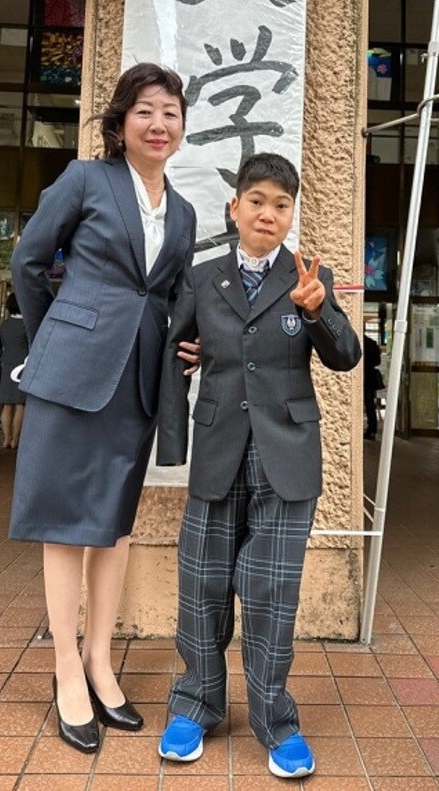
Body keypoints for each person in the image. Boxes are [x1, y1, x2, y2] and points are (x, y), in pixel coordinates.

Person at [8, 62, 198, 756]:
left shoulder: (183, 211)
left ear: (182, 127)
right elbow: (28, 260)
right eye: (146, 110)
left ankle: (98, 661)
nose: (159, 123)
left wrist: (190, 342)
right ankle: (65, 669)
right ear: (120, 123)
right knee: (65, 522)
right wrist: (53, 335)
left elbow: (172, 296)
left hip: (138, 381)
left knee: (112, 526)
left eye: (171, 111)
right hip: (72, 374)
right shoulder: (87, 180)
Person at [156, 153, 361, 779]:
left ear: (291, 214)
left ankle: (276, 719)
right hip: (218, 449)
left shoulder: (306, 278)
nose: (268, 213)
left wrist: (319, 309)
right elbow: (175, 353)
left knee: (272, 594)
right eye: (257, 201)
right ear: (234, 207)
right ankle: (196, 702)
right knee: (202, 587)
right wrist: (173, 446)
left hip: (286, 456)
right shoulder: (203, 277)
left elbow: (348, 356)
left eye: (281, 204)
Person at [0, 293, 28, 449]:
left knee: (6, 404)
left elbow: (3, 344)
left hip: (7, 364)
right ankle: (16, 439)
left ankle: (6, 438)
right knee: (20, 404)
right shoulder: (26, 324)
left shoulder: (4, 325)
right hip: (22, 365)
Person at [363, 332, 382, 440]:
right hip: (370, 377)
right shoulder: (372, 343)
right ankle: (372, 429)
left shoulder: (356, 342)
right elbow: (377, 361)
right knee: (370, 405)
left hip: (358, 376)